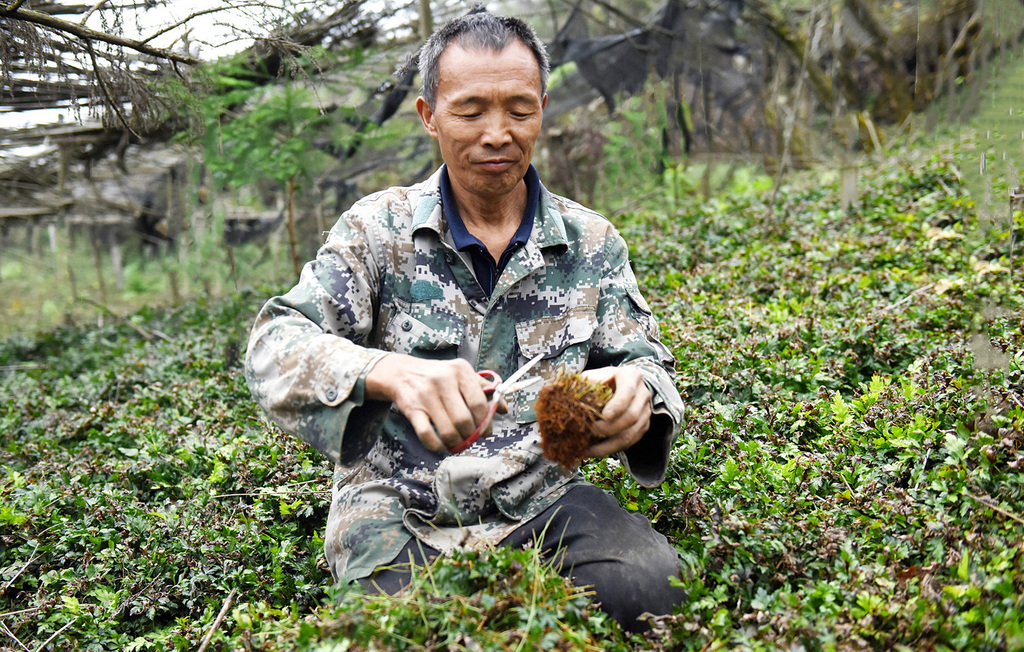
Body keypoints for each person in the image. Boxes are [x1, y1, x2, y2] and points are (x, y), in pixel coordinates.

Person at [244, 11, 686, 633]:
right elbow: (273, 346)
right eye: (471, 110)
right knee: (406, 629)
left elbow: (644, 360)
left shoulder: (592, 242)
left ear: (543, 108)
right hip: (400, 510)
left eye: (518, 109)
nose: (497, 133)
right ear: (429, 115)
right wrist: (388, 372)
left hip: (541, 499)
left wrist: (641, 396)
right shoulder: (376, 231)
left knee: (652, 589)